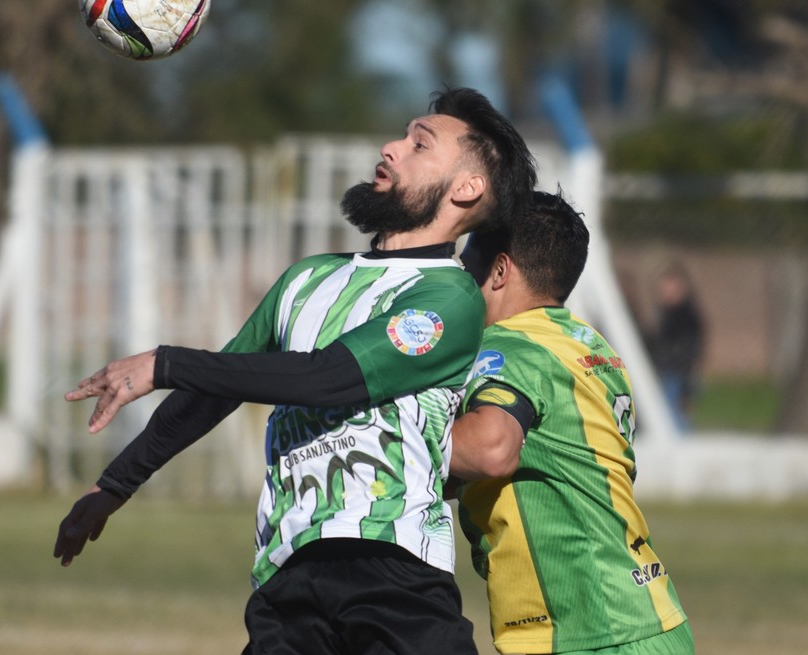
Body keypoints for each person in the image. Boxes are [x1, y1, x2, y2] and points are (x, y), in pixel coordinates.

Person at [52, 87, 537, 655]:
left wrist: (165, 363)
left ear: (466, 188)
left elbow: (326, 379)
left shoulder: (448, 298)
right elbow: (221, 387)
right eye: (402, 134)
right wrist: (116, 484)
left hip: (393, 573)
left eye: (419, 143)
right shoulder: (307, 279)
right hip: (287, 572)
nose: (392, 146)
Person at [451, 191, 693, 655]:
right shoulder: (586, 343)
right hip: (646, 618)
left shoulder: (510, 348)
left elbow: (490, 449)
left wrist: (385, 440)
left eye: (467, 269)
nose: (461, 284)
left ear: (499, 272)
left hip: (588, 632)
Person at [644, 261, 705, 432]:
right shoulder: (664, 315)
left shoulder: (687, 317)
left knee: (677, 423)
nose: (667, 293)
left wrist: (687, 388)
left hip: (678, 377)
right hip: (665, 375)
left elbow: (691, 353)